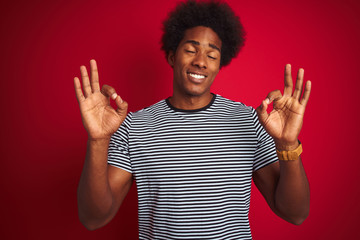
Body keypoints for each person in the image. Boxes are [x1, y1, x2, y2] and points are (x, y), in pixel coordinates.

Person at [74, 0, 311, 239]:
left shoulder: (249, 121)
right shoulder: (134, 126)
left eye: (212, 55)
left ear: (219, 65)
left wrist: (287, 145)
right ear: (171, 57)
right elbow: (93, 218)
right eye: (190, 50)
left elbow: (295, 213)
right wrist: (98, 141)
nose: (200, 61)